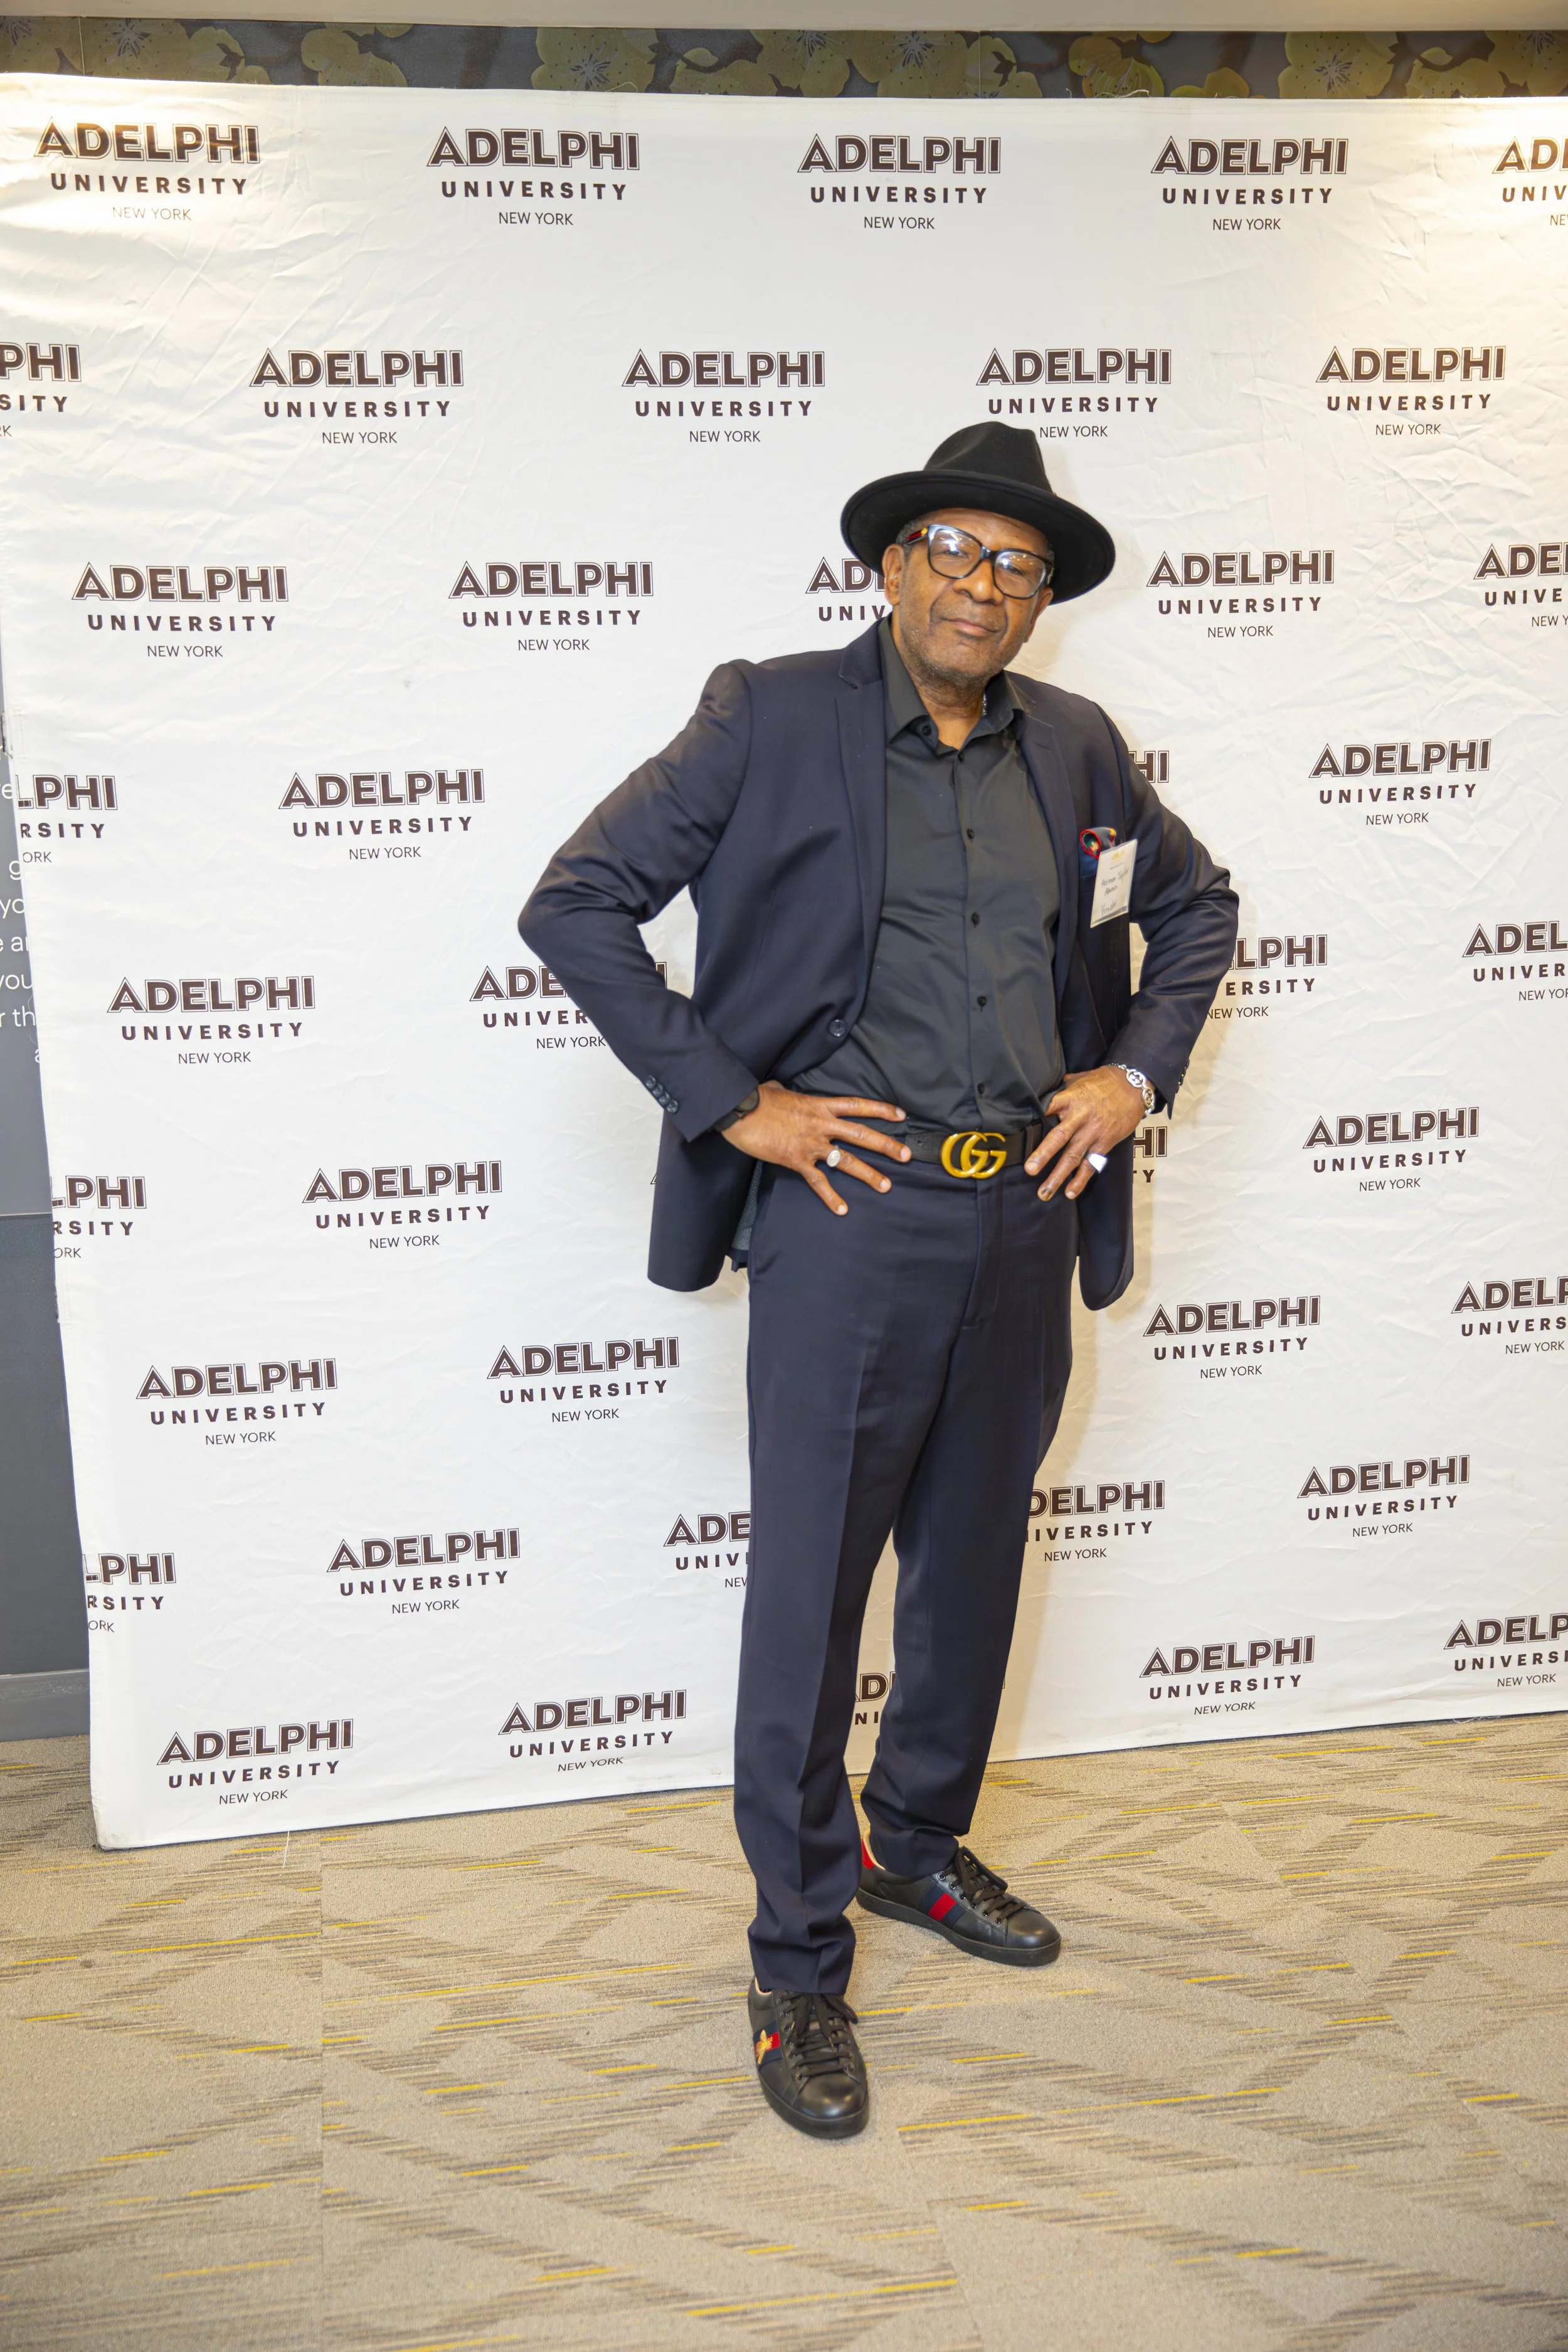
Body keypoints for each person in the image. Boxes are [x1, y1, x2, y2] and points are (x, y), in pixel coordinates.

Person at [521, 423, 1237, 2139]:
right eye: (950, 549)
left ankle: (912, 1849)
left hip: (1024, 1215)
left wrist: (1128, 1074)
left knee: (972, 1566)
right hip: (851, 1213)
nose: (980, 585)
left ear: (1039, 598)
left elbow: (1196, 911)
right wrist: (737, 1104)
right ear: (888, 564)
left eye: (1016, 564)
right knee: (813, 1588)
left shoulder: (1075, 755)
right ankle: (792, 1954)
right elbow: (578, 902)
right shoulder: (767, 715)